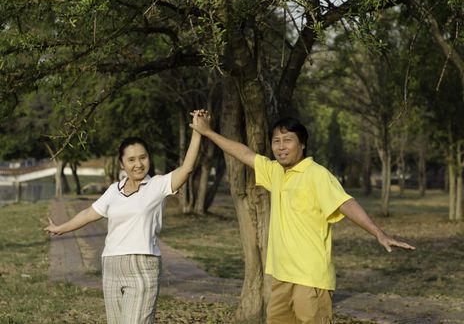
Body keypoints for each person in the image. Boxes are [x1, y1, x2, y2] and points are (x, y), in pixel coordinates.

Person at [190, 111, 415, 324]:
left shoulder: (317, 174)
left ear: (302, 144)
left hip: (310, 277)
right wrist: (208, 132)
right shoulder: (275, 172)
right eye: (276, 141)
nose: (280, 147)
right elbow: (244, 153)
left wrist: (379, 234)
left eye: (287, 140)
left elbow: (345, 203)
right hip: (280, 276)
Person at [45, 111, 205, 324]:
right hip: (111, 264)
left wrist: (198, 133)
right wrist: (61, 228)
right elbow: (88, 213)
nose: (138, 164)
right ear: (122, 164)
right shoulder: (113, 190)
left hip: (143, 265)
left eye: (143, 157)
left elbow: (187, 169)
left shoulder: (157, 185)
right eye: (131, 160)